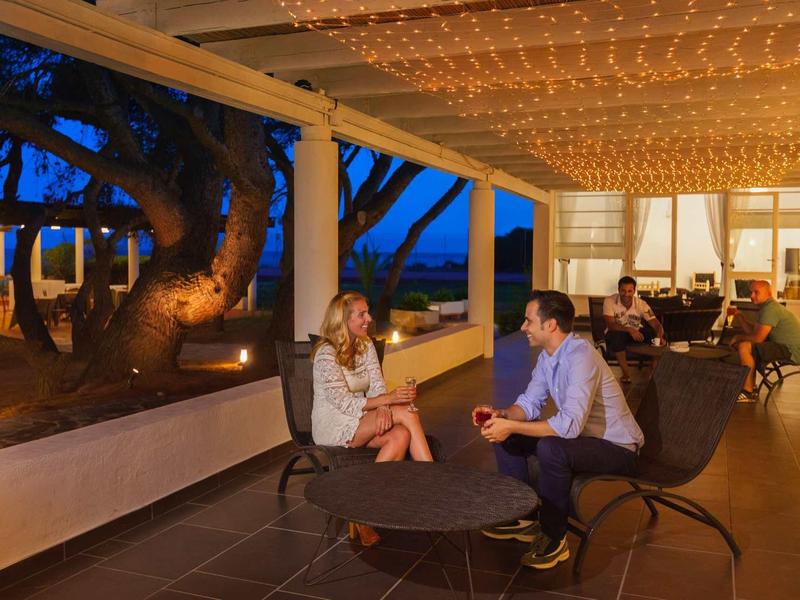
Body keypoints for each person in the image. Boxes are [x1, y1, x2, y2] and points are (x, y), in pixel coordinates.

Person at [473, 290, 644, 570]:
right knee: (506, 434)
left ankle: (554, 537)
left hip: (617, 447)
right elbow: (529, 404)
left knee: (551, 447)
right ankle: (523, 516)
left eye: (528, 321)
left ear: (550, 324)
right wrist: (501, 416)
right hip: (585, 438)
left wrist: (511, 425)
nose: (523, 327)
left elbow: (568, 426)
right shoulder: (548, 356)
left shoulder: (581, 356)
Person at [312, 291, 433, 545]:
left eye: (367, 312)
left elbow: (377, 386)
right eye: (362, 314)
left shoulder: (365, 345)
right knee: (406, 411)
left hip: (363, 417)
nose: (369, 318)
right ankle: (434, 483)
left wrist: (385, 405)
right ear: (343, 319)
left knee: (400, 435)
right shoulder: (325, 355)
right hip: (334, 423)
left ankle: (362, 512)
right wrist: (389, 401)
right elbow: (344, 403)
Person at [728, 280, 800, 402]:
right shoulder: (767, 307)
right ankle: (751, 386)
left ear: (768, 293)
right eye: (751, 292)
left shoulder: (770, 309)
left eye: (756, 292)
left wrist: (738, 337)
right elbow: (754, 332)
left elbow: (757, 338)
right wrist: (740, 316)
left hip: (793, 350)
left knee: (745, 346)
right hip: (785, 347)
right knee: (747, 345)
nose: (752, 296)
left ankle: (748, 392)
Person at [603, 276, 665, 383]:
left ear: (634, 291)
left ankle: (653, 371)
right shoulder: (609, 301)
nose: (626, 294)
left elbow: (656, 325)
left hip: (635, 333)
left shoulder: (641, 304)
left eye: (629, 291)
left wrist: (659, 337)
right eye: (623, 290)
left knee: (656, 337)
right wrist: (630, 330)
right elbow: (611, 325)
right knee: (617, 336)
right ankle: (626, 374)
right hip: (616, 332)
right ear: (618, 290)